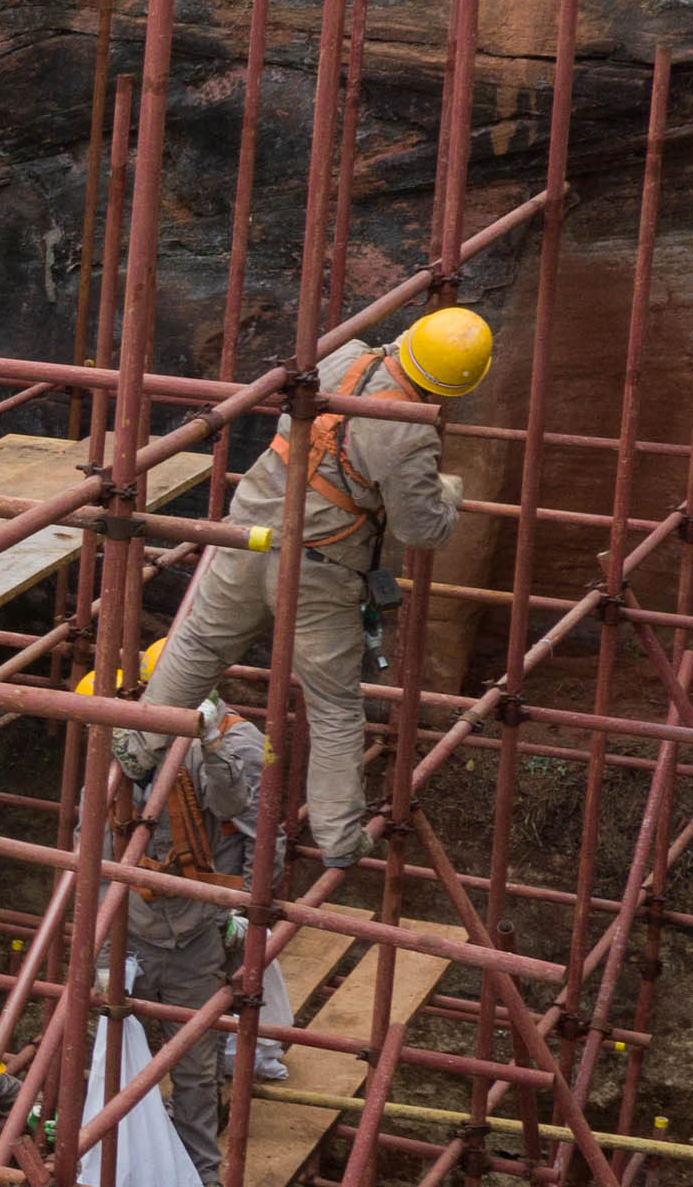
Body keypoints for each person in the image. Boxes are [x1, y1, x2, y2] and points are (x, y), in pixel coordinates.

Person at [128, 306, 483, 870]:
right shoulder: (410, 434)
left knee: (196, 645)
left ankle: (138, 746)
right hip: (317, 570)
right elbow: (423, 529)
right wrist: (450, 491)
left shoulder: (341, 354)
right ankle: (341, 839)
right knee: (335, 707)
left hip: (247, 534)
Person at [89, 642, 271, 1187]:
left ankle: (202, 1177)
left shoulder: (215, 743)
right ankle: (112, 1168)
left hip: (193, 933)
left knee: (195, 1067)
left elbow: (234, 805)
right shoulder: (118, 755)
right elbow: (88, 852)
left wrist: (209, 742)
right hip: (132, 933)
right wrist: (100, 953)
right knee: (114, 1056)